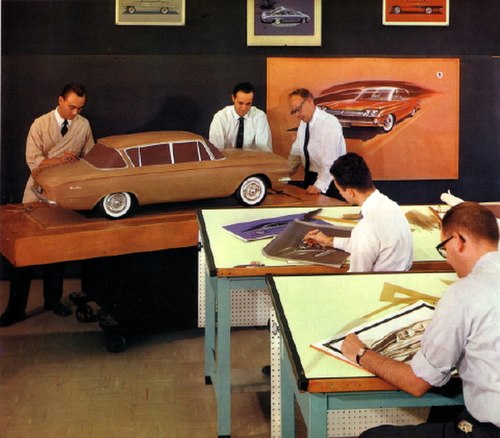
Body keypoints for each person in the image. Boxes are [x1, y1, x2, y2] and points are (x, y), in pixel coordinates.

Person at [342, 202, 500, 437]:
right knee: (444, 412)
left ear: (458, 240)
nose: (447, 260)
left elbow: (417, 383)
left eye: (444, 248)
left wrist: (361, 353)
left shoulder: (463, 293)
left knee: (373, 436)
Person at [0, 83, 94, 327]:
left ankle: (53, 300)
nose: (76, 113)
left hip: (64, 195)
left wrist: (78, 162)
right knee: (25, 253)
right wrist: (59, 160)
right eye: (72, 107)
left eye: (80, 108)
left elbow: (90, 156)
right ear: (60, 100)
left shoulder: (83, 125)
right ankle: (15, 308)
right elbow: (33, 161)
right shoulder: (39, 124)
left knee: (57, 251)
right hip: (36, 193)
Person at [303, 152, 413, 272]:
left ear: (350, 192)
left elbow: (358, 276)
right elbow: (367, 245)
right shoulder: (390, 205)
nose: (340, 193)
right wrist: (329, 241)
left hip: (379, 284)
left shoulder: (365, 229)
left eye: (339, 190)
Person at [287, 88, 346, 198]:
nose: (297, 114)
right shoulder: (303, 124)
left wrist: (320, 185)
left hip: (331, 181)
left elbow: (330, 160)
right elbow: (296, 154)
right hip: (310, 178)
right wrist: (283, 175)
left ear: (309, 101)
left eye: (298, 109)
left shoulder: (329, 123)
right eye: (294, 111)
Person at [209, 82, 272, 151]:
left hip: (252, 160)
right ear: (233, 98)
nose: (244, 108)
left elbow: (264, 150)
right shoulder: (221, 117)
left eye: (248, 104)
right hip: (227, 160)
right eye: (240, 103)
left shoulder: (259, 116)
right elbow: (216, 150)